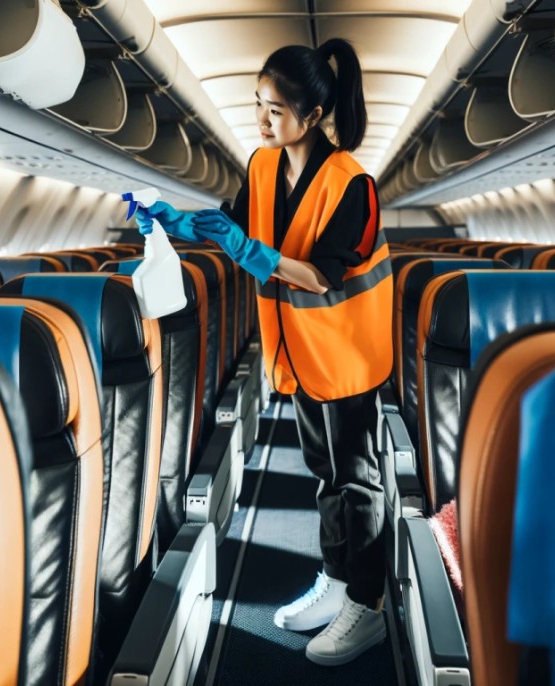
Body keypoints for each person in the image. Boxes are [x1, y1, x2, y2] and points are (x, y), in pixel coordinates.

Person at [135, 38, 393, 667]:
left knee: (356, 480)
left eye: (275, 110)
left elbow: (322, 275)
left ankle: (368, 605)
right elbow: (230, 222)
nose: (262, 119)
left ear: (313, 115)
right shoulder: (262, 166)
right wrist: (173, 220)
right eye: (258, 104)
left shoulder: (352, 184)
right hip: (297, 353)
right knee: (325, 472)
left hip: (346, 354)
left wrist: (249, 251)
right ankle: (337, 580)